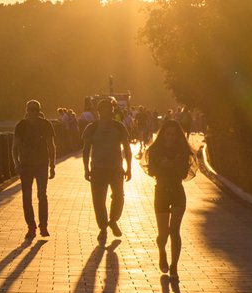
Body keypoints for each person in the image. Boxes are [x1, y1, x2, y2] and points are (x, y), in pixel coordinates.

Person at [143, 117, 196, 278]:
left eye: (174, 135)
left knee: (175, 231)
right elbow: (151, 171)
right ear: (163, 135)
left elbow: (184, 173)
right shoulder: (155, 150)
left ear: (178, 136)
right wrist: (162, 166)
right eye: (168, 134)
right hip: (161, 192)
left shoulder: (183, 151)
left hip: (177, 191)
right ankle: (162, 252)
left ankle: (174, 266)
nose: (170, 138)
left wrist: (176, 164)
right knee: (163, 233)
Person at [81, 97, 132, 244]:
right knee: (99, 201)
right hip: (98, 169)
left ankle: (113, 219)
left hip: (116, 168)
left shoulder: (119, 127)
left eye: (109, 109)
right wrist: (86, 168)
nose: (106, 112)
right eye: (103, 109)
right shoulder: (92, 127)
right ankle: (103, 229)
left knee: (119, 196)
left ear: (112, 110)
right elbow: (86, 149)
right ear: (98, 111)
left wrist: (129, 168)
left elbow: (127, 148)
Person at [13, 98, 57, 240]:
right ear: (27, 111)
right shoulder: (21, 126)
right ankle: (31, 227)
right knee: (26, 197)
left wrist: (52, 165)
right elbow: (15, 146)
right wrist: (16, 163)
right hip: (25, 165)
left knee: (42, 195)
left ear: (39, 111)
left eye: (36, 109)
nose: (33, 112)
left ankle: (43, 226)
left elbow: (51, 146)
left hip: (41, 164)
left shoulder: (46, 124)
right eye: (31, 109)